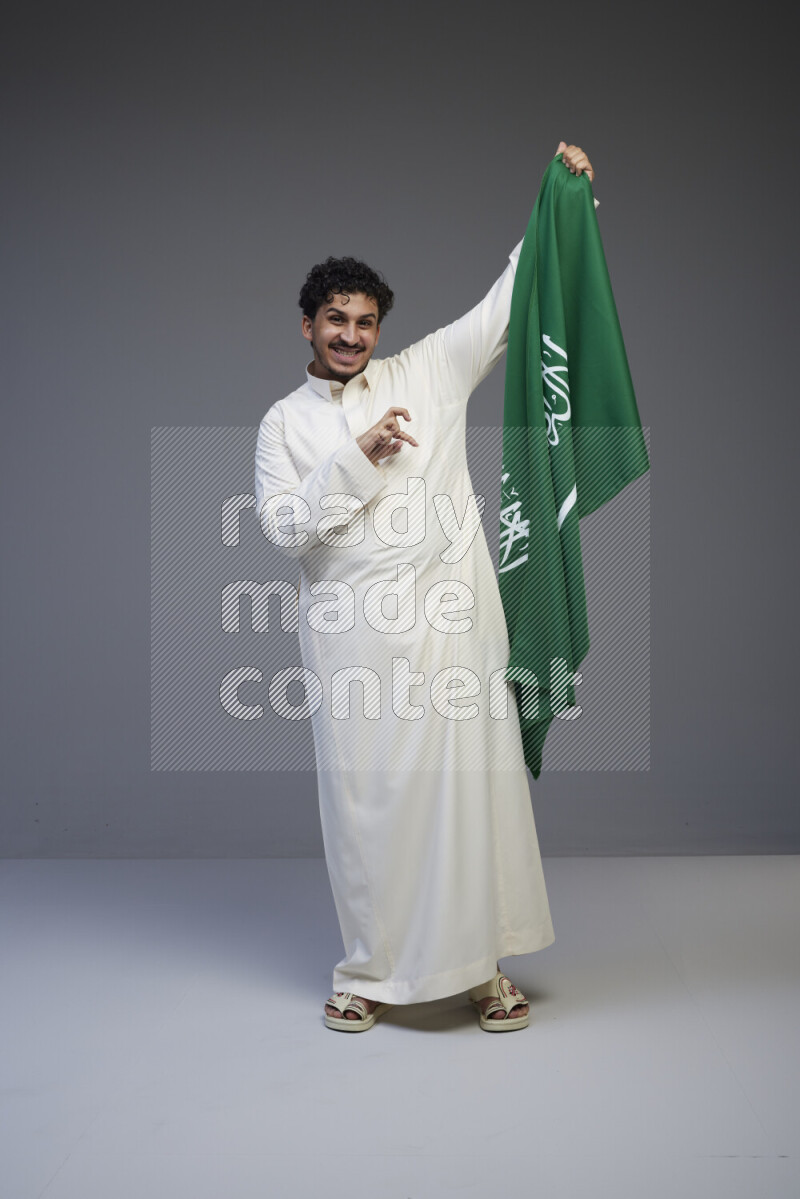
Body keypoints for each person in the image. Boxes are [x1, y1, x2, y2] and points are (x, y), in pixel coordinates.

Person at [254, 143, 596, 1032]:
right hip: (355, 640)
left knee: (471, 796)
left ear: (381, 328)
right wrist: (355, 460)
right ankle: (367, 972)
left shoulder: (428, 373)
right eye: (335, 319)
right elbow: (285, 529)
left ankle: (484, 969)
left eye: (365, 322)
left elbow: (505, 306)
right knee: (369, 808)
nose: (351, 335)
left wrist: (560, 198)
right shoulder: (282, 425)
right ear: (306, 325)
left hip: (453, 628)